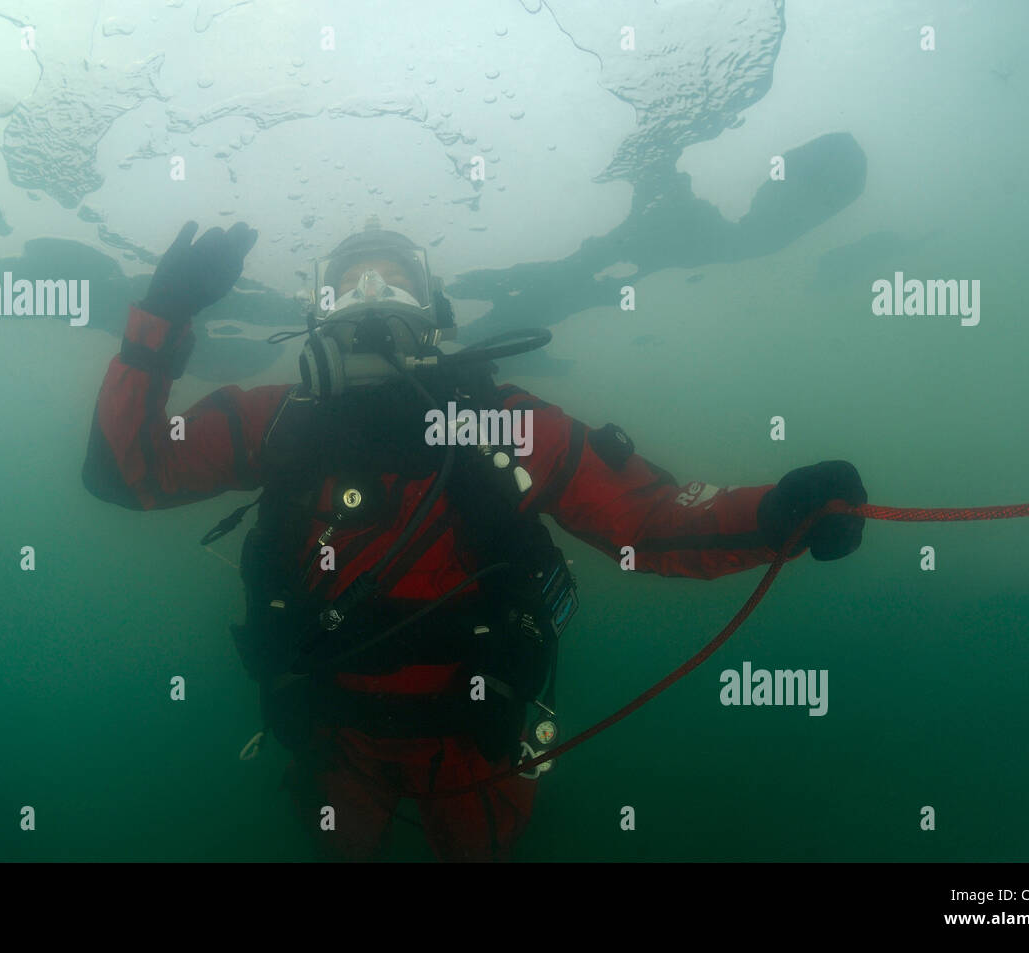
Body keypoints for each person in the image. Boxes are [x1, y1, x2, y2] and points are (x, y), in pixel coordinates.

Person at [82, 218, 867, 862]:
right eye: (350, 283)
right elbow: (126, 471)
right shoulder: (278, 423)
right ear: (320, 309)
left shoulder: (504, 425)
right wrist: (163, 315)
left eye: (392, 280)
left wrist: (778, 512)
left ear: (433, 307)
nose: (370, 298)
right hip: (333, 736)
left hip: (477, 739)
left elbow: (650, 520)